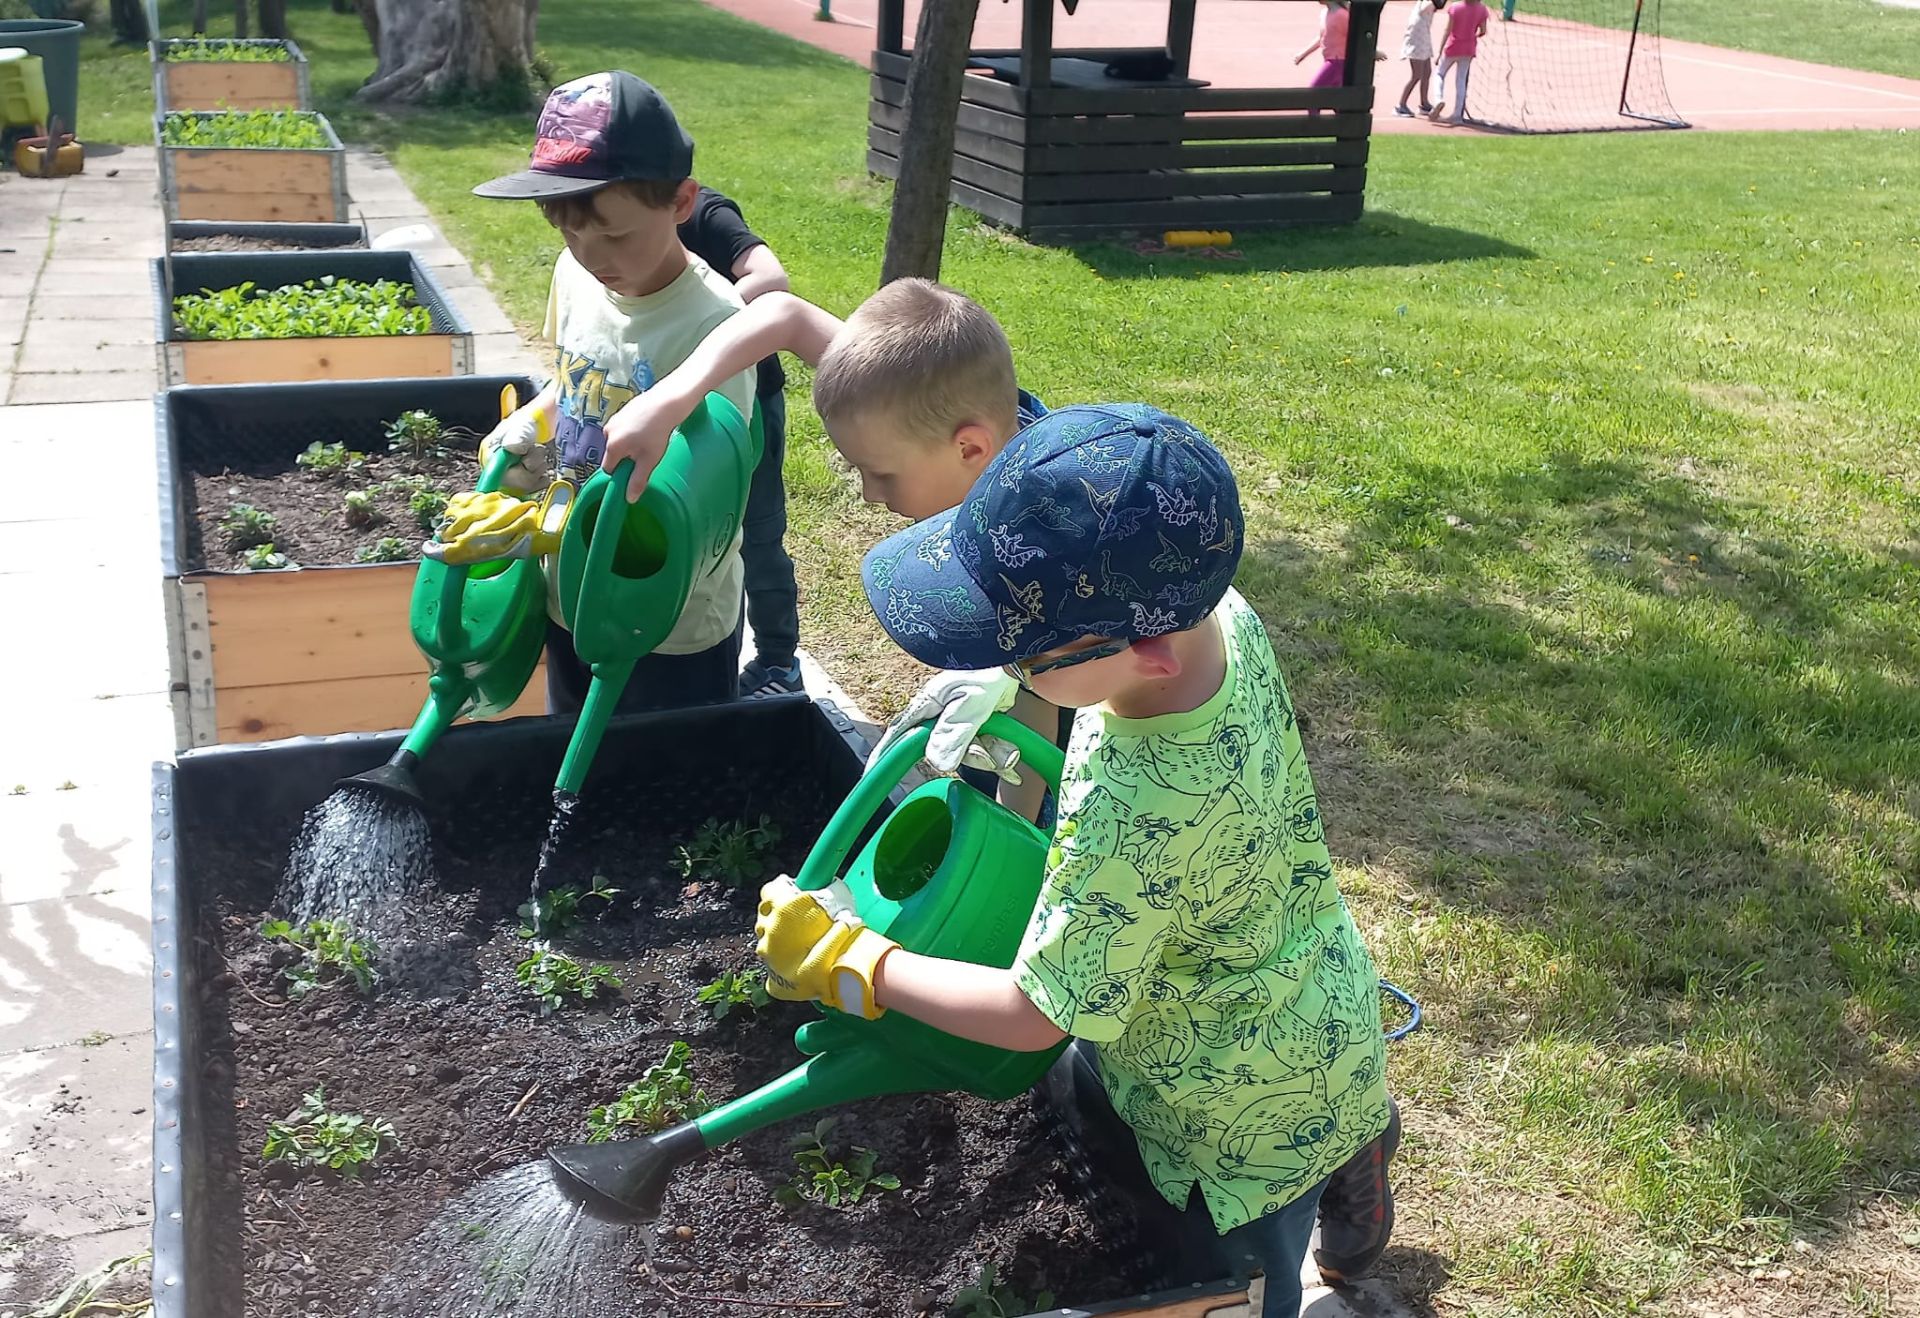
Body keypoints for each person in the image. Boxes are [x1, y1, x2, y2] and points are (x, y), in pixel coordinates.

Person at [752, 405, 1400, 1316]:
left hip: (1232, 1124)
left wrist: (852, 959)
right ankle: (1360, 1140)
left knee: (1244, 1279)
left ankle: (1320, 1193)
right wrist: (1017, 671)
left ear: (1144, 652)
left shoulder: (1138, 813)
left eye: (1016, 649)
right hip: (1315, 991)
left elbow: (1031, 1015)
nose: (1003, 661)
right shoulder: (1211, 612)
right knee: (1330, 1111)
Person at [591, 280, 1067, 825]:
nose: (868, 495)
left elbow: (1041, 707)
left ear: (970, 448)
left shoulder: (1037, 532)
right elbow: (783, 315)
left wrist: (1015, 832)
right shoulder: (912, 395)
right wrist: (671, 399)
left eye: (881, 474)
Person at [432, 70, 757, 717]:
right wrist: (531, 421)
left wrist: (562, 526)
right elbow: (573, 379)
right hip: (570, 590)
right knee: (573, 749)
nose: (590, 254)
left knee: (666, 769)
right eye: (570, 233)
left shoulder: (715, 325)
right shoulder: (576, 277)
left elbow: (710, 489)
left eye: (615, 235)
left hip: (664, 614)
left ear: (681, 201)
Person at [675, 187, 806, 698]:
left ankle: (778, 661)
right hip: (680, 405)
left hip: (749, 403)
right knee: (700, 540)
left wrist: (699, 321)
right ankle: (715, 668)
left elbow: (772, 278)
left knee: (757, 533)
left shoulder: (706, 214)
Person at [1430, 0, 1490, 125]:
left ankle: (1438, 99)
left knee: (1439, 73)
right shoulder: (1482, 9)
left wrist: (1440, 51)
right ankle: (1457, 114)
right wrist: (1473, 35)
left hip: (1453, 46)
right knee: (1461, 80)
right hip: (1469, 48)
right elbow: (1483, 31)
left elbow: (1447, 30)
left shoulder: (1455, 7)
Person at [1293, 0, 1352, 116]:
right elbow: (1322, 37)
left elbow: (1355, 35)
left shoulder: (1342, 15)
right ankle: (1348, 125)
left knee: (1313, 95)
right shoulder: (1325, 13)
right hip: (1332, 61)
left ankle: (1314, 124)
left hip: (1337, 63)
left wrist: (1373, 52)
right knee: (1338, 103)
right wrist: (1303, 54)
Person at [1395, 0, 1446, 117]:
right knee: (1417, 74)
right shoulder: (1426, 3)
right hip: (1416, 38)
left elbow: (1439, 5)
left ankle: (1424, 104)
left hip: (1424, 37)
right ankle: (1400, 105)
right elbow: (1437, 4)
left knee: (1427, 72)